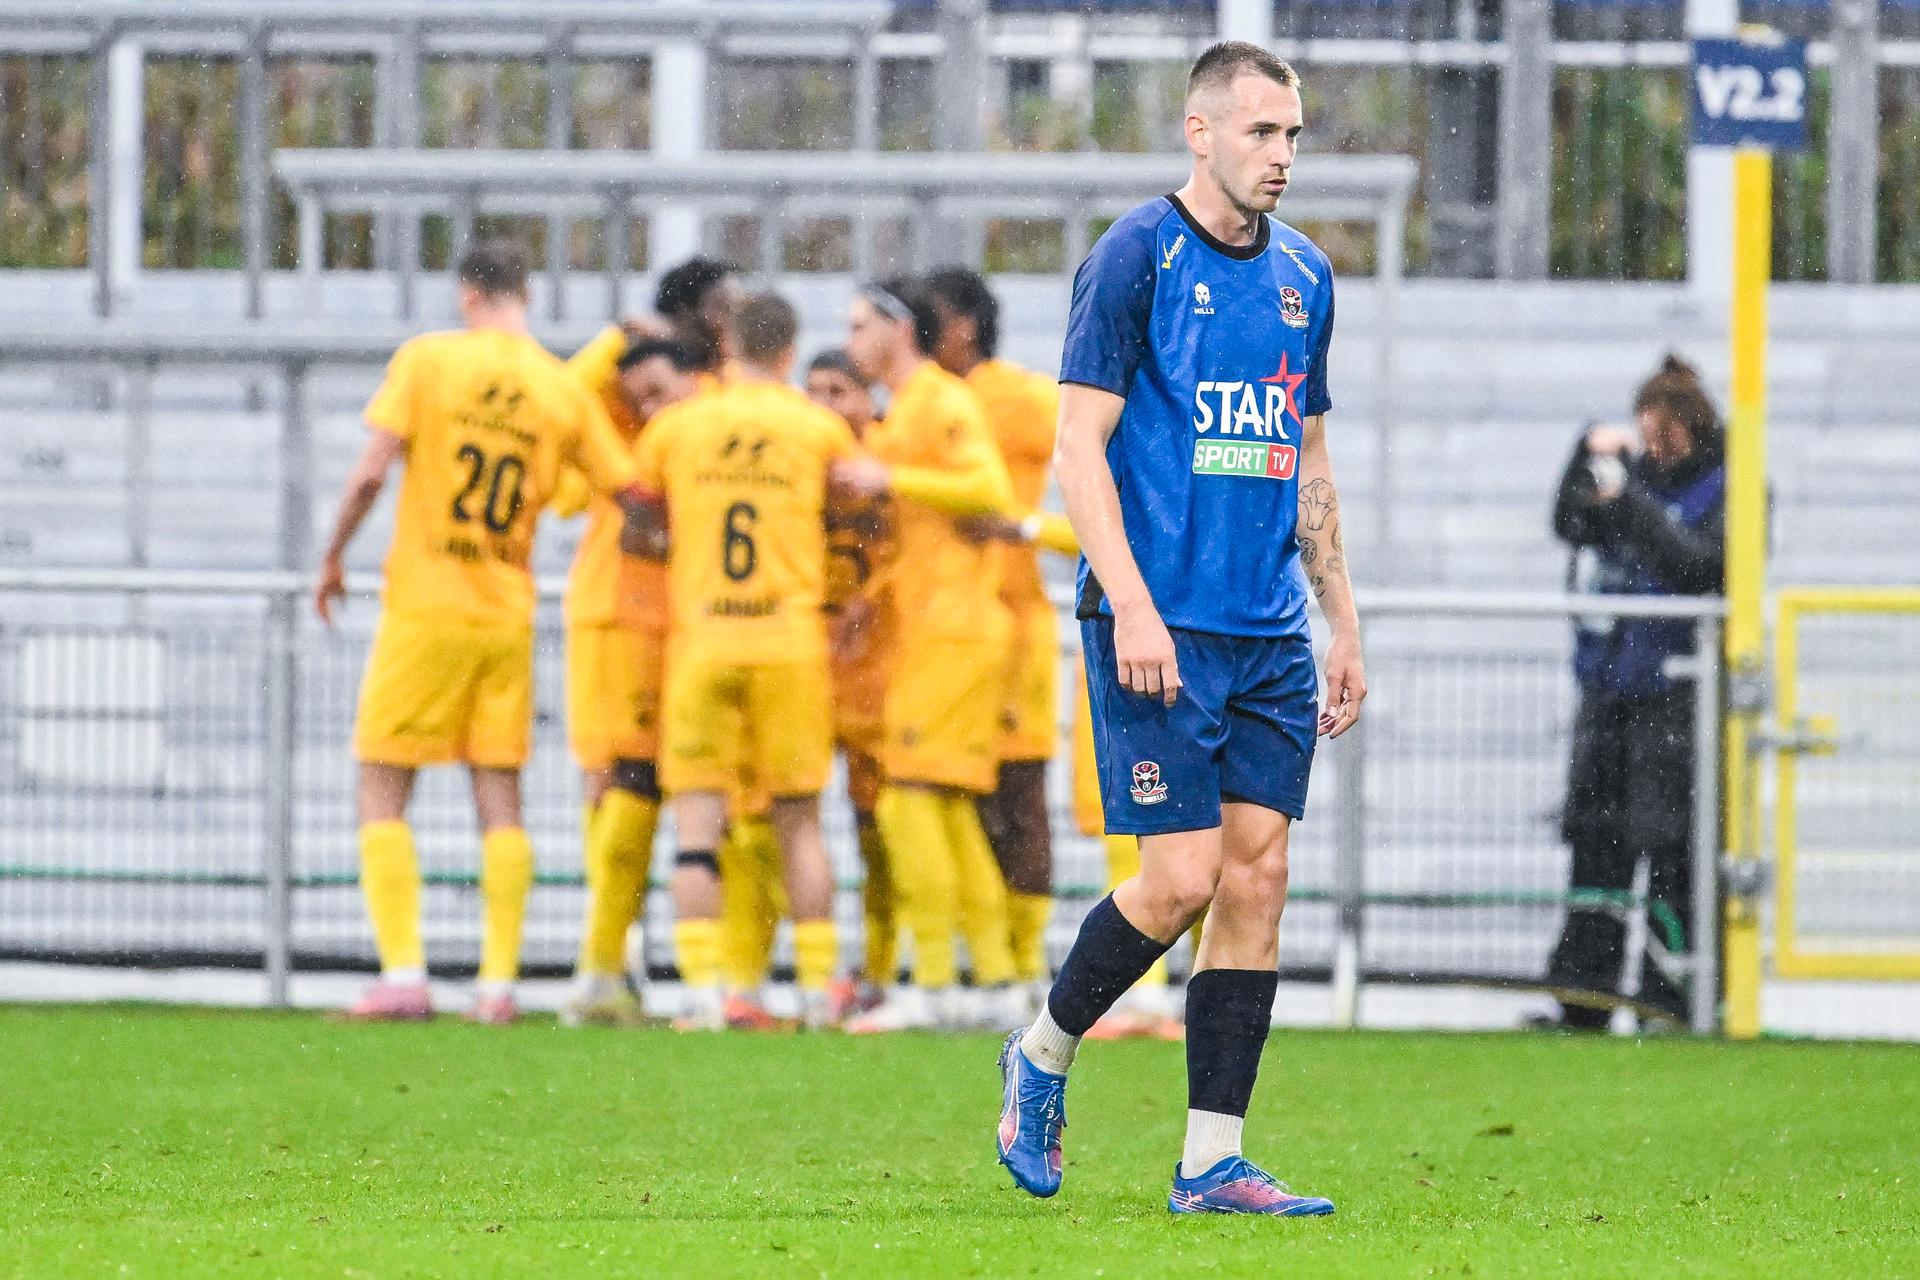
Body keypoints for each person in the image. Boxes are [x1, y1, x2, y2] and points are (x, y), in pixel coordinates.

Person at [994, 43, 1364, 1215]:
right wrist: (1136, 602)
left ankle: (1212, 1156)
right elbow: (1075, 448)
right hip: (1157, 624)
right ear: (1199, 133)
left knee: (1261, 876)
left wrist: (1343, 621)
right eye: (1263, 133)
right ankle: (1041, 1053)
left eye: (1294, 135)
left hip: (1266, 633)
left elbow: (1305, 461)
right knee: (1180, 878)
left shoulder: (1306, 277)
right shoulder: (1135, 257)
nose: (1284, 156)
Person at [313, 240, 650, 1025]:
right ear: (525, 293)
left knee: (382, 781)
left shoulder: (429, 362)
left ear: (469, 293)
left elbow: (369, 473)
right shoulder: (557, 390)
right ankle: (498, 987)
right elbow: (630, 490)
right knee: (499, 795)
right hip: (506, 612)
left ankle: (404, 974)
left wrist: (332, 556)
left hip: (426, 607)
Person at [634, 292, 859, 1030]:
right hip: (788, 642)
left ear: (725, 342)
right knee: (799, 822)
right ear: (791, 350)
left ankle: (702, 992)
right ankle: (819, 990)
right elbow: (862, 505)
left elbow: (637, 516)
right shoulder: (817, 428)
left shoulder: (678, 426)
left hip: (704, 642)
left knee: (696, 824)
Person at [833, 278, 1024, 1034]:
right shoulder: (906, 409)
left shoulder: (940, 400)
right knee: (945, 809)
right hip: (935, 626)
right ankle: (1000, 982)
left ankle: (936, 981)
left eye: (858, 327)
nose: (850, 343)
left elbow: (989, 488)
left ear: (896, 326)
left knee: (907, 802)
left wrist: (891, 477)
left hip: (954, 629)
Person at [1538, 354, 1727, 1031]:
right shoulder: (1633, 478)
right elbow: (1570, 523)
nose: (1652, 449)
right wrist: (1582, 454)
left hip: (1678, 701)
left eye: (1663, 435)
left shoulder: (1724, 487)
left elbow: (1697, 565)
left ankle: (1668, 999)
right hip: (1613, 690)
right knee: (1597, 844)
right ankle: (1582, 998)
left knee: (1671, 849)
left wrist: (1635, 503)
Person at [924, 266, 1064, 1012]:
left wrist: (1031, 528)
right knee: (951, 795)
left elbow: (1111, 452)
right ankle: (982, 967)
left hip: (1013, 623)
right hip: (935, 632)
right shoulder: (918, 403)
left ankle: (1024, 964)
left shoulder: (1025, 398)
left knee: (1021, 792)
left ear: (963, 326)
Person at [556, 334, 700, 1028]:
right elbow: (558, 405)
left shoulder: (710, 421)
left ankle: (720, 981)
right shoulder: (615, 436)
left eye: (660, 390)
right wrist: (616, 337)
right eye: (638, 394)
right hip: (630, 623)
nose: (650, 406)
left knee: (722, 802)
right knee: (622, 780)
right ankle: (608, 961)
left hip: (702, 630)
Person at [807, 350, 898, 1020]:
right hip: (804, 664)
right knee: (784, 821)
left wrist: (877, 595)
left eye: (839, 391)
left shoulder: (888, 463)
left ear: (867, 400)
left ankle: (880, 967)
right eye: (812, 392)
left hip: (878, 671)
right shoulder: (792, 463)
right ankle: (793, 973)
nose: (826, 406)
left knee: (879, 830)